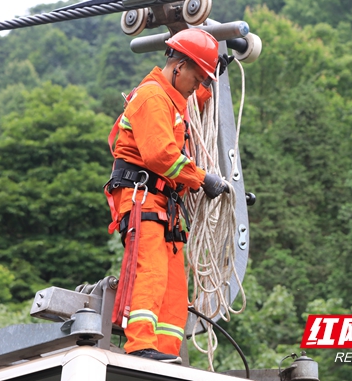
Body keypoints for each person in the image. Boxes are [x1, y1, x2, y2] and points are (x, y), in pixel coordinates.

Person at [105, 28, 230, 363]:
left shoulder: (172, 100)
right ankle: (140, 346)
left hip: (166, 206)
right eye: (198, 77)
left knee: (175, 288)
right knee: (151, 272)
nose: (199, 86)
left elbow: (187, 108)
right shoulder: (151, 97)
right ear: (180, 66)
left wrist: (216, 78)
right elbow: (160, 155)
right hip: (143, 198)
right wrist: (202, 179)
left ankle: (164, 353)